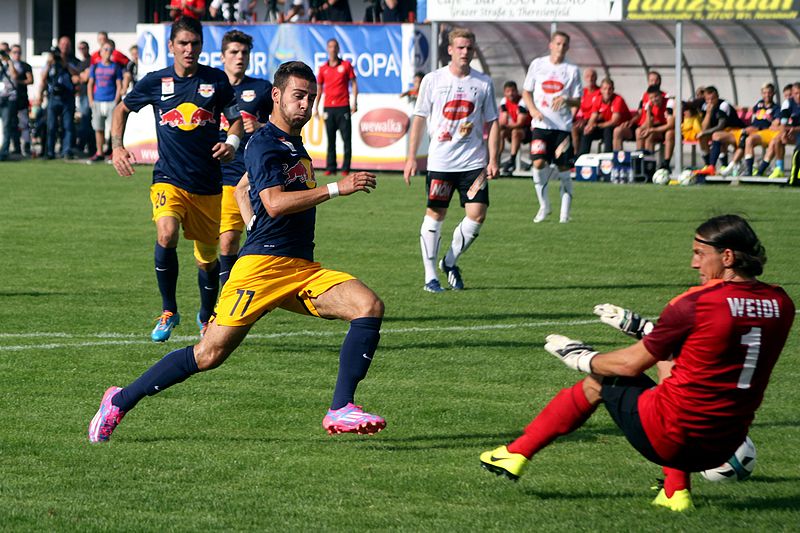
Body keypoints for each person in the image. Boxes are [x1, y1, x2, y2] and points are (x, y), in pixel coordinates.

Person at [89, 60, 386, 443]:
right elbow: (276, 203)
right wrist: (335, 189)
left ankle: (340, 408)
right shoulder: (263, 143)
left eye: (311, 98)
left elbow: (245, 189)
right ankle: (119, 400)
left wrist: (253, 226)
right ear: (276, 96)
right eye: (298, 96)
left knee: (368, 306)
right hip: (261, 269)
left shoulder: (290, 144)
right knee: (208, 355)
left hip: (299, 267)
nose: (306, 105)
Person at [480, 214, 794, 512]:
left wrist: (582, 358)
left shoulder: (695, 303)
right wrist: (642, 329)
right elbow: (699, 352)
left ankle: (516, 453)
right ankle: (674, 493)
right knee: (674, 376)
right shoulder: (781, 302)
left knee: (599, 381)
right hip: (726, 442)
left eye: (700, 253)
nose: (693, 262)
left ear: (727, 257)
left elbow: (630, 365)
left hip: (674, 440)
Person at [109, 17, 243, 342]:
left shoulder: (215, 80)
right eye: (183, 43)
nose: (189, 50)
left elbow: (237, 120)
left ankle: (206, 314)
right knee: (166, 234)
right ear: (171, 46)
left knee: (208, 260)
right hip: (168, 178)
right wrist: (116, 147)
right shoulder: (156, 81)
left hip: (209, 185)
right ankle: (169, 309)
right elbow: (121, 109)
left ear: (201, 46)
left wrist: (232, 143)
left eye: (194, 44)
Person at [403, 27, 499, 293]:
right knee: (436, 214)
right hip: (441, 162)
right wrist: (412, 157)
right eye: (460, 47)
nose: (465, 52)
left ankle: (450, 261)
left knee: (477, 215)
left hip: (473, 162)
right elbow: (420, 118)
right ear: (450, 50)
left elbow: (492, 122)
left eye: (469, 48)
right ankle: (430, 276)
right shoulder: (433, 80)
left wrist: (493, 158)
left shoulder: (483, 83)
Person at [216, 30, 273, 289]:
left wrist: (260, 126)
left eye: (244, 53)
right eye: (234, 52)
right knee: (218, 242)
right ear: (222, 56)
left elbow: (283, 126)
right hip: (213, 175)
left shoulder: (261, 89)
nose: (240, 57)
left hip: (248, 175)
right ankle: (217, 302)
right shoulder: (211, 87)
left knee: (242, 241)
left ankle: (234, 299)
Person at [522, 32, 582, 224]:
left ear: (568, 47)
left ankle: (564, 215)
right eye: (558, 43)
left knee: (564, 169)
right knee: (538, 163)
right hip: (541, 124)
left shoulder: (572, 70)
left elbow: (578, 101)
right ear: (551, 45)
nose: (561, 47)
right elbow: (526, 91)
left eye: (564, 44)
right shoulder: (538, 64)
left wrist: (566, 99)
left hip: (562, 127)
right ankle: (544, 205)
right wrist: (532, 110)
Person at [313, 39, 357, 177]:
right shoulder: (323, 68)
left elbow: (354, 84)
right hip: (328, 108)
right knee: (330, 140)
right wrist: (315, 106)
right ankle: (330, 167)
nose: (333, 49)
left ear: (338, 49)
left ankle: (346, 168)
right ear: (327, 49)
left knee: (346, 140)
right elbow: (319, 89)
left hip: (343, 107)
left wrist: (354, 102)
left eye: (335, 47)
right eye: (330, 46)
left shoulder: (346, 65)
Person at [720, 83, 780, 177]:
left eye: (769, 92)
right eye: (764, 93)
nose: (767, 95)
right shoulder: (760, 104)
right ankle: (737, 167)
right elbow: (751, 109)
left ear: (773, 93)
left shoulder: (776, 108)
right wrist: (735, 108)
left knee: (747, 139)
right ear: (761, 93)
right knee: (723, 138)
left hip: (763, 132)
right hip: (751, 130)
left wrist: (758, 128)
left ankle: (737, 167)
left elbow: (774, 124)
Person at [38, 36, 80, 160]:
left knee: (67, 125)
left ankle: (66, 150)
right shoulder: (51, 61)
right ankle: (49, 152)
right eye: (62, 44)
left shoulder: (73, 60)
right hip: (53, 97)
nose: (64, 47)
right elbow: (43, 78)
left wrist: (65, 63)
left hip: (67, 97)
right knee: (51, 126)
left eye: (67, 45)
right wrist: (50, 62)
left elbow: (77, 75)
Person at [693, 86, 745, 177]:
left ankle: (718, 166)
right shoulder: (705, 106)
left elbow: (720, 126)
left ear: (717, 97)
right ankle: (708, 165)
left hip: (736, 131)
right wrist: (708, 113)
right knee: (702, 137)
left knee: (717, 136)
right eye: (707, 99)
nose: (710, 101)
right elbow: (704, 128)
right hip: (722, 132)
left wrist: (704, 132)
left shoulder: (723, 105)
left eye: (712, 99)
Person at [87, 41, 124, 163]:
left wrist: (116, 100)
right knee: (98, 128)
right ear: (101, 52)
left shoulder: (115, 67)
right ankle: (99, 152)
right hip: (98, 100)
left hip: (110, 100)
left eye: (109, 50)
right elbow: (90, 83)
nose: (107, 52)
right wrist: (91, 100)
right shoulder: (95, 67)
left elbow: (119, 84)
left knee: (113, 128)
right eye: (105, 49)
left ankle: (114, 152)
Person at [578, 77, 630, 156]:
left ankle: (607, 157)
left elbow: (614, 121)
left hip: (622, 127)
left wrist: (596, 125)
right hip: (605, 126)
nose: (607, 92)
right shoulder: (598, 99)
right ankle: (581, 158)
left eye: (610, 89)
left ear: (613, 90)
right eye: (605, 89)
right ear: (601, 90)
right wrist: (589, 126)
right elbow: (593, 116)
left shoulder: (618, 100)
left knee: (608, 130)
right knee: (587, 131)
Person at [498, 80, 532, 175]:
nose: (511, 94)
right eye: (508, 91)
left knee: (515, 132)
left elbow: (520, 123)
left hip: (529, 130)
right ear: (505, 92)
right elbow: (504, 119)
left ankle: (512, 161)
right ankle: (497, 159)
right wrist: (501, 126)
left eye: (513, 91)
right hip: (516, 128)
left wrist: (505, 126)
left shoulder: (522, 101)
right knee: (501, 133)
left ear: (517, 91)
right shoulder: (504, 101)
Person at [9, 44, 33, 158]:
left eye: (18, 52)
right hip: (10, 99)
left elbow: (29, 79)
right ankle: (16, 147)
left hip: (21, 98)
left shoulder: (25, 66)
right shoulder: (7, 66)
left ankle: (26, 146)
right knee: (12, 124)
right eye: (14, 52)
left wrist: (19, 82)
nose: (17, 54)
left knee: (24, 124)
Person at [571, 68, 599, 158]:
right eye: (587, 76)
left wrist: (587, 121)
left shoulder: (600, 92)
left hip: (594, 121)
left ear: (596, 78)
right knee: (570, 127)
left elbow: (602, 111)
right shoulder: (582, 92)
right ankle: (573, 155)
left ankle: (580, 157)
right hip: (582, 120)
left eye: (592, 76)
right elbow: (575, 107)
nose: (590, 78)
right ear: (584, 78)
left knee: (582, 129)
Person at [75, 41, 96, 157]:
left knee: (86, 121)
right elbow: (77, 79)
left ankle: (83, 146)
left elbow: (84, 78)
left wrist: (80, 77)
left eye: (84, 48)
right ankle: (90, 148)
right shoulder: (80, 64)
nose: (82, 50)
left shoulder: (91, 61)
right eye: (80, 48)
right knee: (85, 122)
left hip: (90, 95)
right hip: (82, 95)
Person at [0, 44, 19, 161]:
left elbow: (15, 76)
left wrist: (9, 62)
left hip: (9, 98)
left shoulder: (14, 64)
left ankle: (4, 152)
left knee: (7, 125)